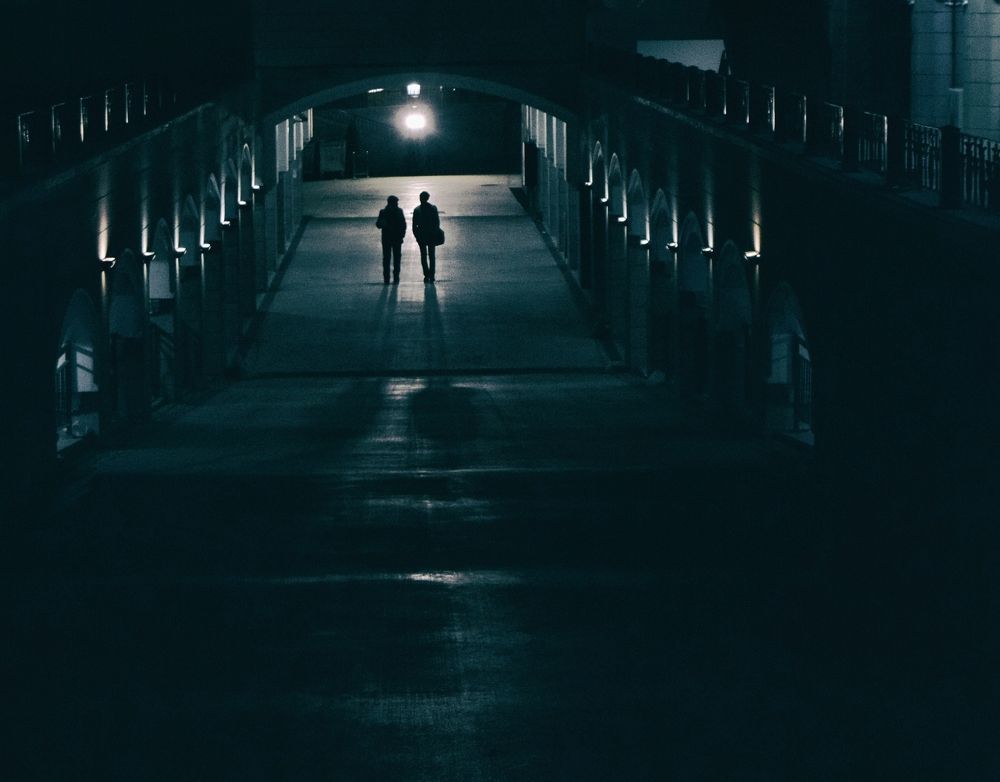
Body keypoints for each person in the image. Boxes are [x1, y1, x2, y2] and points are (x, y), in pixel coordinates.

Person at [376, 195, 406, 283]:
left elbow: (378, 225)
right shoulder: (399, 211)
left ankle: (387, 278)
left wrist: (383, 224)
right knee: (396, 258)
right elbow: (403, 225)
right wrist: (402, 235)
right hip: (396, 239)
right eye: (396, 202)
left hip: (387, 239)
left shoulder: (383, 212)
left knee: (387, 259)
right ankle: (395, 278)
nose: (397, 204)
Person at [412, 190, 440, 283]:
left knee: (423, 256)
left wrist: (416, 236)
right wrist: (435, 232)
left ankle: (426, 274)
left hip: (421, 236)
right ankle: (432, 274)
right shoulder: (433, 208)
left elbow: (414, 225)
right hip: (431, 235)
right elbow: (437, 222)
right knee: (432, 256)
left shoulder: (417, 210)